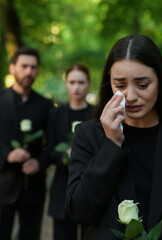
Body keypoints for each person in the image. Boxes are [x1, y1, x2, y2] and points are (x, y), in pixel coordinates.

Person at [65, 35, 162, 239]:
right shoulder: (88, 135)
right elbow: (80, 212)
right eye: (120, 85)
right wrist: (111, 144)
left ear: (160, 82)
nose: (130, 96)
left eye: (142, 85)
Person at [0, 47, 53, 240]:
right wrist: (7, 154)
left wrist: (39, 161)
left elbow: (53, 145)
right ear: (12, 67)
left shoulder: (46, 105)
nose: (29, 71)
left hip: (33, 188)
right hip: (3, 183)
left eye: (33, 67)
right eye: (24, 66)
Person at [47, 64, 94, 240]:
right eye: (72, 82)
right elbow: (50, 150)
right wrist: (65, 155)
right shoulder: (56, 114)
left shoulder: (96, 113)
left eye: (81, 82)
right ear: (66, 83)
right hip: (62, 186)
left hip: (90, 186)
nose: (76, 87)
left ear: (88, 84)